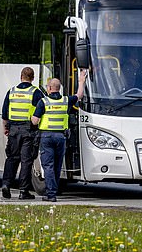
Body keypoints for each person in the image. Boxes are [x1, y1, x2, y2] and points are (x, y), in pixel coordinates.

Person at [31, 70, 87, 202]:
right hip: (61, 137)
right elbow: (79, 95)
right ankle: (53, 191)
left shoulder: (43, 102)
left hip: (46, 137)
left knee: (48, 165)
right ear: (59, 88)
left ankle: (51, 194)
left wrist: (32, 118)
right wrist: (81, 81)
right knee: (57, 165)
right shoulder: (66, 100)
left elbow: (34, 120)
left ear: (49, 88)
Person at [0, 67, 45, 199]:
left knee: (12, 159)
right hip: (28, 131)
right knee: (26, 161)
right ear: (33, 78)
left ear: (21, 76)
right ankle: (23, 191)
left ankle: (6, 184)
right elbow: (41, 111)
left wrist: (6, 128)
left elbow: (4, 113)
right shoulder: (36, 93)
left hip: (13, 130)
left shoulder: (11, 91)